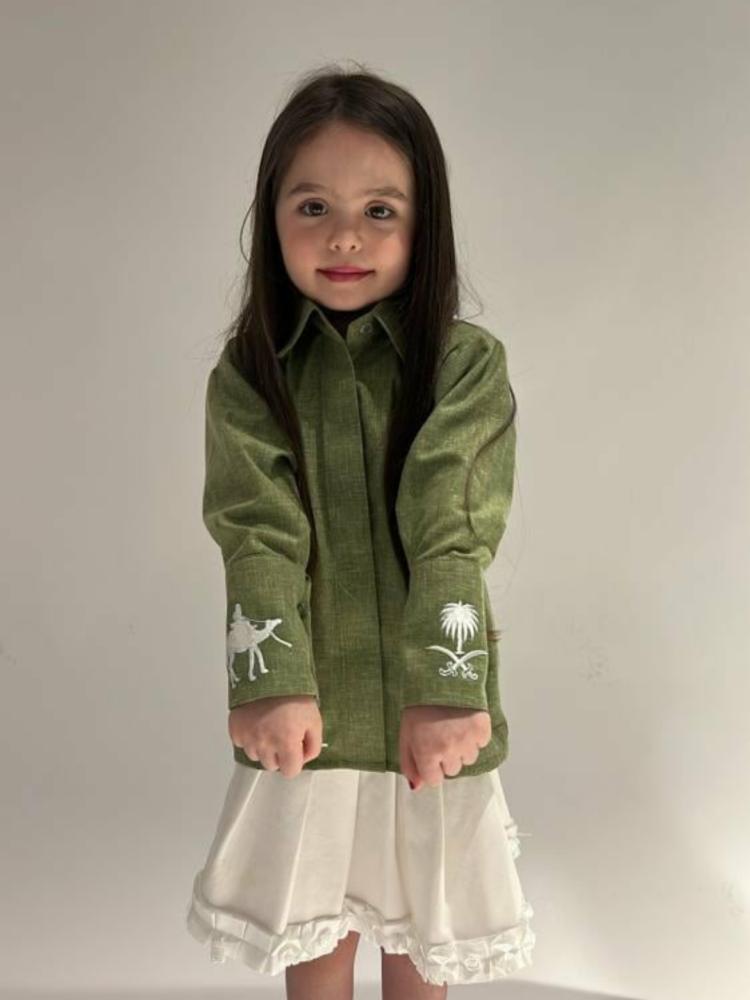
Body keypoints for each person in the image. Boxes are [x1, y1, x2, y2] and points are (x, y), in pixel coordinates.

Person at [185, 62, 535, 998]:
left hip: (435, 721)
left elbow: (451, 522)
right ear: (271, 220)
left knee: (425, 931)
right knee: (317, 927)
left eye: (380, 210)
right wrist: (270, 682)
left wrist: (445, 689)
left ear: (425, 224)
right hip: (309, 720)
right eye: (313, 207)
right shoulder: (250, 374)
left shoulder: (462, 366)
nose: (344, 235)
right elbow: (257, 530)